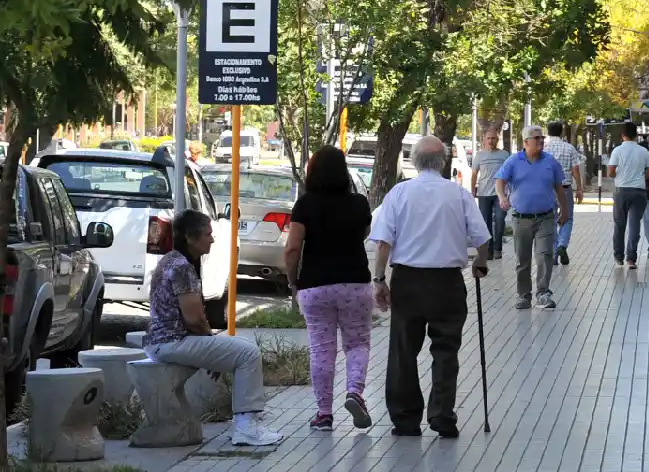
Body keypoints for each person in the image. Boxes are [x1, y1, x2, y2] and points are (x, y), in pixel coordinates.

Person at [370, 136, 491, 438]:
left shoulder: (399, 193)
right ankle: (442, 415)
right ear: (443, 161)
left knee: (403, 352)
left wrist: (379, 279)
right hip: (447, 283)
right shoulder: (458, 194)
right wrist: (480, 263)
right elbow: (482, 239)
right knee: (446, 351)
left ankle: (405, 419)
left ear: (414, 160)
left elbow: (383, 242)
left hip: (408, 281)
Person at [143, 209, 283, 447]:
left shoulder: (172, 260)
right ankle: (246, 426)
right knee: (248, 354)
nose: (213, 238)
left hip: (163, 342)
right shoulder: (181, 267)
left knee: (241, 350)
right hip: (171, 342)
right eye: (207, 234)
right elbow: (194, 319)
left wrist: (213, 349)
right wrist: (212, 346)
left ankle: (246, 423)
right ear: (190, 237)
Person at [284, 146, 374, 431]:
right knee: (357, 343)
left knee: (322, 349)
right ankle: (355, 393)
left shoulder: (305, 204)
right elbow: (364, 235)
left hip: (315, 285)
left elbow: (292, 248)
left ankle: (324, 413)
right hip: (355, 283)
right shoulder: (359, 203)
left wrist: (292, 281)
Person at [495, 125, 570, 309]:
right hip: (521, 218)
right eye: (536, 138)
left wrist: (565, 210)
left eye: (542, 138)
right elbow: (500, 180)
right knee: (523, 259)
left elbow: (560, 187)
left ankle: (543, 293)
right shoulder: (514, 161)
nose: (541, 141)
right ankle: (523, 295)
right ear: (526, 142)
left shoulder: (550, 161)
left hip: (545, 217)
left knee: (545, 255)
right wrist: (502, 196)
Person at [607, 121, 649, 269]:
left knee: (619, 226)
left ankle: (618, 257)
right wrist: (639, 177)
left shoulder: (617, 151)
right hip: (639, 192)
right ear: (636, 135)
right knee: (634, 226)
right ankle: (631, 259)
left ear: (622, 135)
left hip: (621, 191)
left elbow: (610, 171)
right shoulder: (644, 151)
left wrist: (620, 174)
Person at [544, 121, 584, 266]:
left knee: (551, 220)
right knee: (567, 218)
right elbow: (575, 170)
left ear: (548, 132)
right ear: (561, 132)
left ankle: (554, 253)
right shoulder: (569, 148)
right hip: (565, 188)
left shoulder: (544, 148)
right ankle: (562, 244)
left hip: (547, 189)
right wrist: (579, 188)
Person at [470, 128, 510, 259]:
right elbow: (474, 174)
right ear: (484, 140)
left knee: (499, 220)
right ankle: (489, 251)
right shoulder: (479, 155)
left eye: (493, 138)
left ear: (497, 140)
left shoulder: (504, 155)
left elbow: (510, 173)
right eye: (488, 138)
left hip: (501, 194)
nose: (491, 141)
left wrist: (510, 192)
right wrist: (472, 191)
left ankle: (498, 248)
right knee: (485, 222)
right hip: (483, 193)